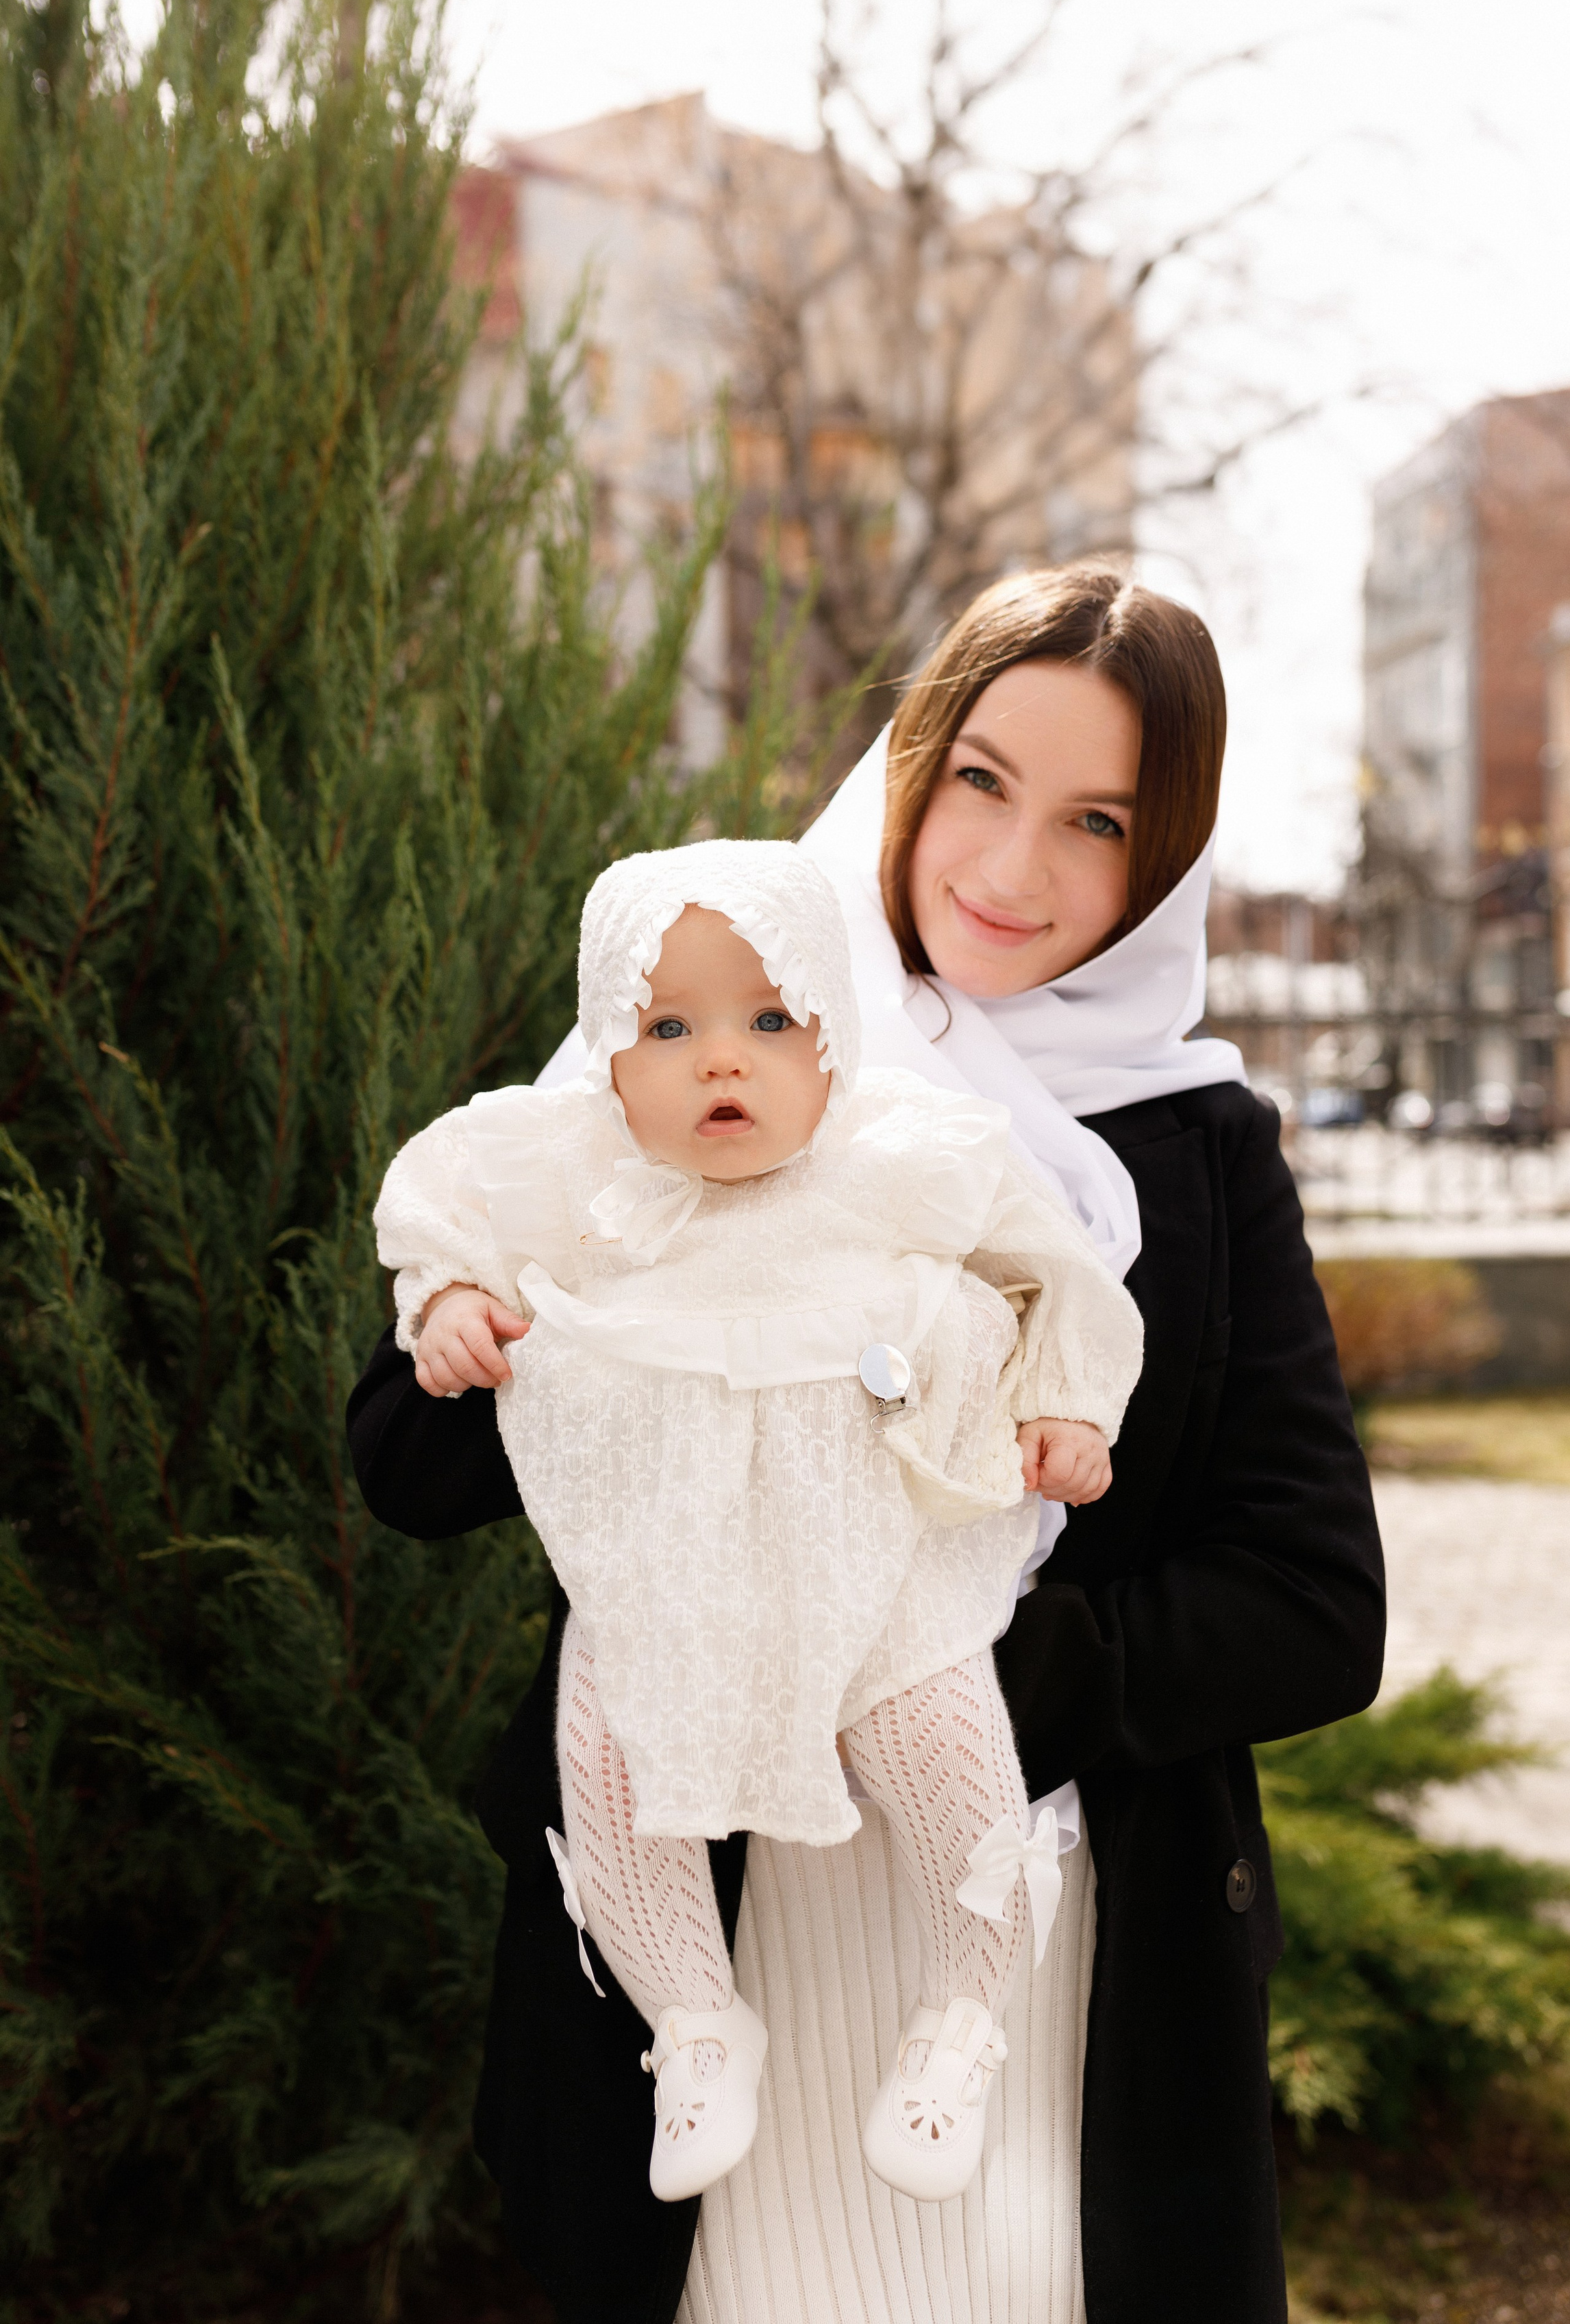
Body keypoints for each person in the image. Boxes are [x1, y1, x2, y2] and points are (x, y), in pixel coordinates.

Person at [347, 560, 1385, 2323]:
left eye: (1097, 821)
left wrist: (932, 1660)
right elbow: (413, 1468)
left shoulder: (1197, 1148)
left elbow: (1310, 1602)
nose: (1010, 868)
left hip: (1043, 1964)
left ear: (1166, 859)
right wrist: (482, 1343)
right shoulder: (697, 1027)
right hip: (718, 1938)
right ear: (911, 762)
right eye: (979, 778)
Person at [369, 839, 1143, 2206]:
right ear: (606, 1053)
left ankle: (960, 2021)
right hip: (661, 1566)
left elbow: (1054, 1271)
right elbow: (436, 1198)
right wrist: (442, 1307)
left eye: (769, 1019)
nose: (720, 1060)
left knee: (962, 1776)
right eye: (667, 1026)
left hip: (880, 1563)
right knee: (604, 1772)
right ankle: (692, 2021)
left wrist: (1064, 1405)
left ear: (834, 1038)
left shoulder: (900, 1151)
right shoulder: (578, 1167)